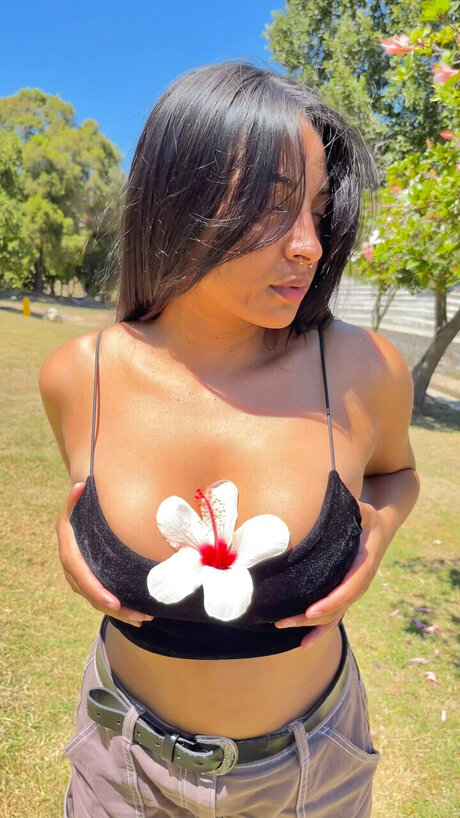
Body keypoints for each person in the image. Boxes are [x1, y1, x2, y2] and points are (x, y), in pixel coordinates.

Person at [39, 60, 420, 818]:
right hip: (120, 770)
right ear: (176, 198)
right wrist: (71, 523)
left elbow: (396, 474)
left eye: (318, 211)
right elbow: (89, 487)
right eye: (274, 207)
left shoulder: (360, 369)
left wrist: (377, 529)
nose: (309, 245)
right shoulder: (79, 376)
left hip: (314, 776)